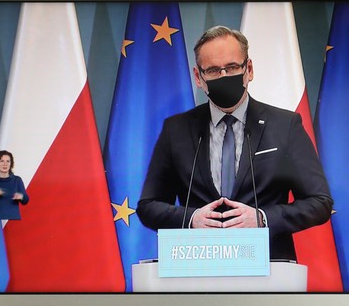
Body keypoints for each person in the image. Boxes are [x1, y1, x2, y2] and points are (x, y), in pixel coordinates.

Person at [137, 26, 333, 260]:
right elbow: (148, 206)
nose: (223, 77)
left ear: (248, 69)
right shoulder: (176, 129)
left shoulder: (285, 125)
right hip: (196, 266)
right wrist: (191, 218)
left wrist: (262, 219)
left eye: (231, 68)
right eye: (212, 70)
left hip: (269, 267)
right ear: (198, 77)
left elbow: (320, 202)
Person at [0, 150, 29, 220]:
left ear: (11, 164)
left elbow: (25, 200)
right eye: (2, 161)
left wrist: (21, 196)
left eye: (8, 161)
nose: (5, 164)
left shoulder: (17, 180)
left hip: (13, 221)